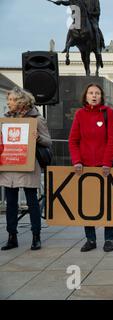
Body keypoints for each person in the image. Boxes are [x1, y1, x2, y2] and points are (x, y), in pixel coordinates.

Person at [0, 87, 52, 251]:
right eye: (8, 100)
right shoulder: (6, 119)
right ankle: (11, 236)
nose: (9, 103)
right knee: (11, 204)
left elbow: (48, 141)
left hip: (28, 164)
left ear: (21, 101)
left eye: (12, 100)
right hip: (10, 165)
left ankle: (36, 236)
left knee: (32, 203)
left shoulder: (36, 119)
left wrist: (38, 137)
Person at [69, 83, 113, 252]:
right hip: (85, 167)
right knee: (88, 204)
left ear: (101, 96)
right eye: (91, 93)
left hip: (104, 167)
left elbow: (112, 139)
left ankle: (109, 239)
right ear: (86, 96)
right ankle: (90, 239)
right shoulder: (80, 114)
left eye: (97, 93)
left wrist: (107, 163)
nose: (94, 96)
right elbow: (73, 140)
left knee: (107, 203)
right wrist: (77, 161)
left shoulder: (108, 113)